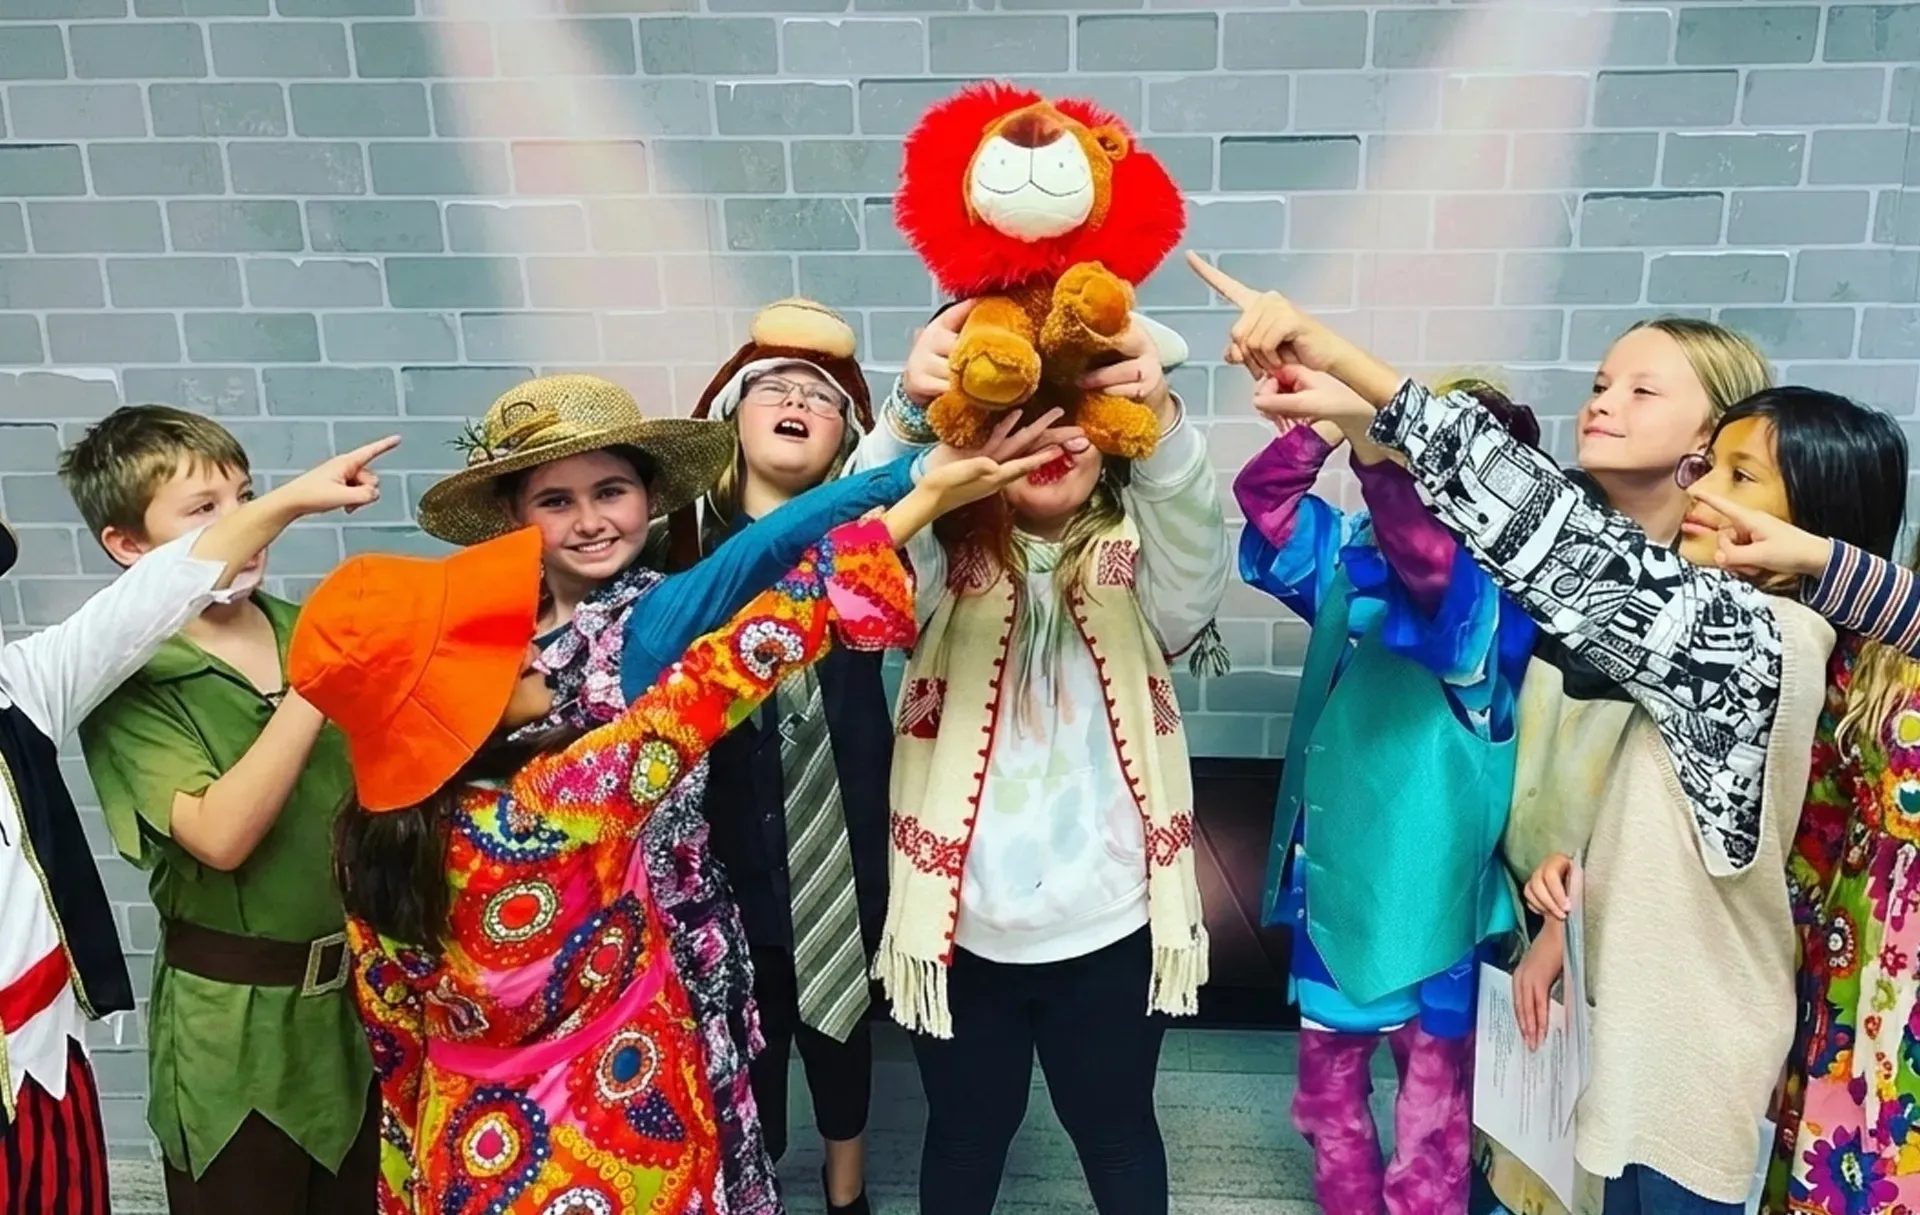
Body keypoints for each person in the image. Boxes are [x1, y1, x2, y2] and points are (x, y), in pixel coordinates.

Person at [1191, 252, 1911, 1215]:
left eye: (1733, 471)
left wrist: (1368, 404)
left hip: (1673, 1051)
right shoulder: (1738, 623)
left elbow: (1553, 540)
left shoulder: (1743, 635)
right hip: (1602, 1007)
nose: (1703, 487)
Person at [310, 448, 1052, 1214]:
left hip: (468, 1153)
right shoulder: (567, 796)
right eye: (493, 647)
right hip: (618, 1138)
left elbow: (395, 1049)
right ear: (452, 699)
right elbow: (744, 656)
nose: (530, 646)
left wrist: (408, 1189)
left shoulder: (365, 842)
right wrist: (916, 500)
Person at [413, 367, 935, 1215]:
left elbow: (769, 547)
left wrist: (905, 479)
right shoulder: (478, 635)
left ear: (650, 498)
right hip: (531, 972)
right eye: (556, 500)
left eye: (610, 490)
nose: (588, 520)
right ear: (516, 516)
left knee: (696, 1148)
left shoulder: (656, 613)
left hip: (667, 945)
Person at [856, 303, 1228, 1215]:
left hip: (1109, 925)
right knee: (965, 1138)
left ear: (1111, 436)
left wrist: (1166, 417)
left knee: (1116, 1134)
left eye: (1076, 419)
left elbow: (1193, 535)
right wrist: (908, 421)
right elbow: (867, 556)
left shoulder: (1143, 561)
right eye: (1025, 420)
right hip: (961, 925)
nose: (1051, 442)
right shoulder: (944, 559)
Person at [0, 436, 396, 1213]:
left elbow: (150, 599)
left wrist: (282, 505)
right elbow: (219, 834)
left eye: (242, 496)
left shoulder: (21, 687)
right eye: (206, 506)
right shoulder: (128, 689)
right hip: (228, 1031)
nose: (236, 518)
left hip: (38, 1064)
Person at [1236, 373, 1541, 1215]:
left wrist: (1375, 449)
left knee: (1433, 1120)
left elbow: (1434, 570)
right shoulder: (1353, 559)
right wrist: (1325, 429)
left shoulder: (1494, 598)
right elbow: (1264, 504)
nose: (1424, 467)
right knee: (1326, 1105)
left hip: (1436, 911)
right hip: (1336, 891)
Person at [663, 299, 908, 1215]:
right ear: (733, 413)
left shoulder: (864, 541)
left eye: (823, 395)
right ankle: (754, 1187)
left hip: (840, 845)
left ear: (847, 439)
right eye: (776, 387)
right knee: (742, 1043)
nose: (798, 400)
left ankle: (848, 1197)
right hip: (720, 853)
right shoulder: (678, 550)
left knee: (842, 1035)